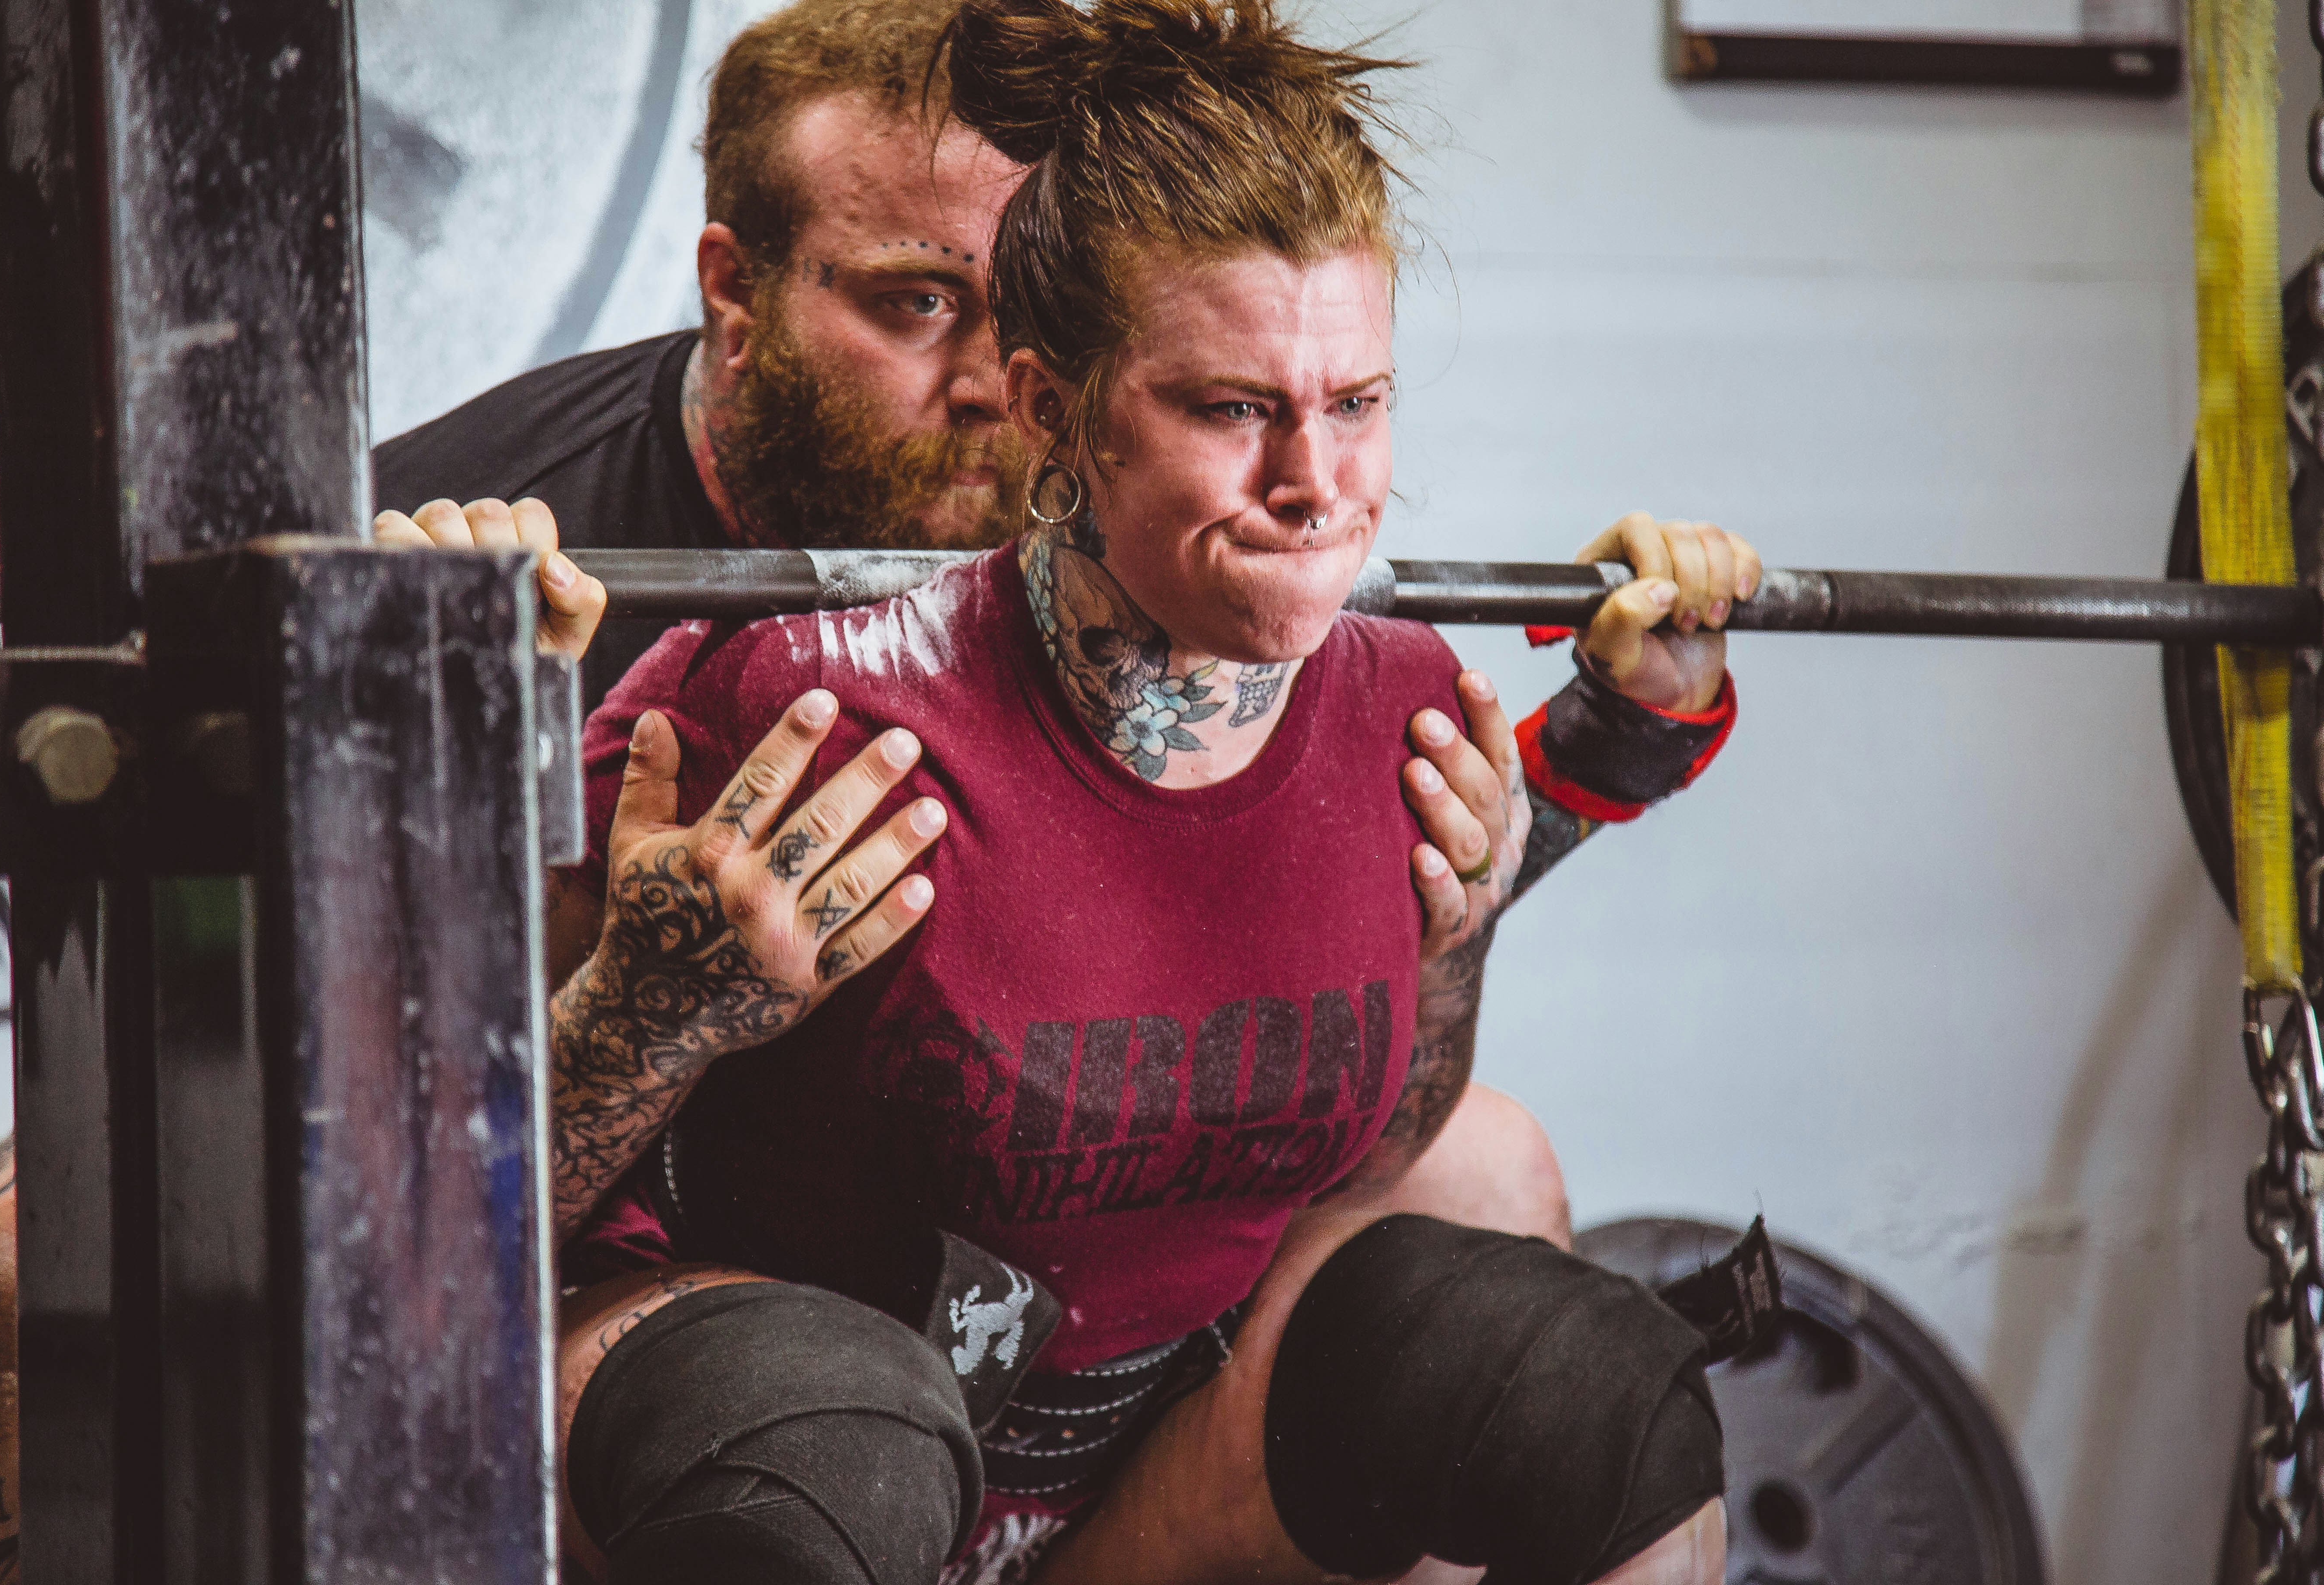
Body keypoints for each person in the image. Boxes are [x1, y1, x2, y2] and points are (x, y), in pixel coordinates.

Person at [0, 1, 1742, 1578]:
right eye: (917, 305)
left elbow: (1264, 906)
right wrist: (450, 758)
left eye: (1022, 305)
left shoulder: (1098, 529)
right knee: (31, 1269)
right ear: (740, 291)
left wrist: (1613, 742)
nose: (984, 384)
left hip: (1028, 1262)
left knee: (1493, 1184)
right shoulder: (535, 539)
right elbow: (329, 1096)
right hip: (549, 1164)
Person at [538, 2, 1755, 1582]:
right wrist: (657, 1003)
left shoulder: (1396, 699)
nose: (1319, 488)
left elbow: (1365, 1128)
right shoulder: (792, 699)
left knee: (1583, 1398)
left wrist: (1461, 929)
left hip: (1139, 1431)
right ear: (1055, 407)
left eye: (1359, 402)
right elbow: (427, 1186)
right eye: (1233, 409)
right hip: (796, 1407)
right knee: (831, 1444)